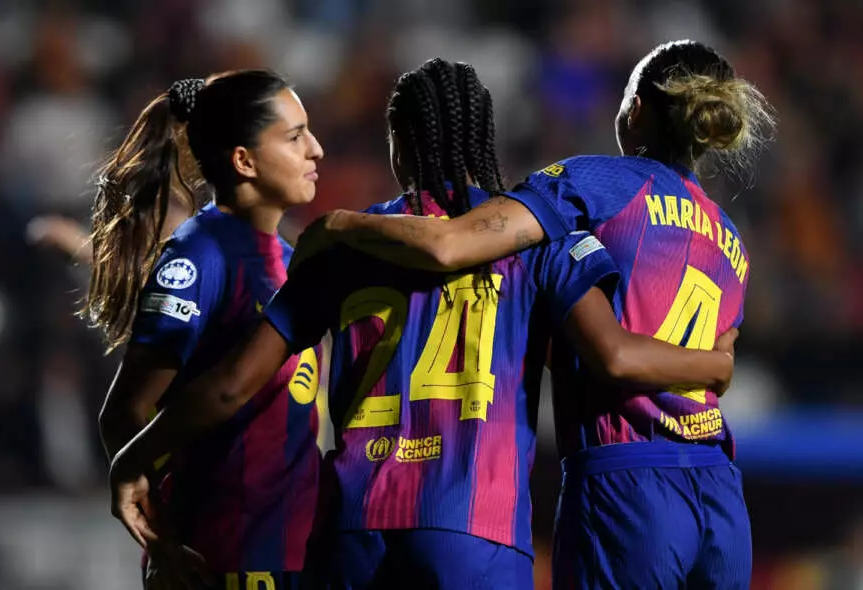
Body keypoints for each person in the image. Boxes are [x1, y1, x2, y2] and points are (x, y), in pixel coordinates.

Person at [108, 57, 737, 590]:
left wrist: (137, 459)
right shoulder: (538, 240)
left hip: (355, 528)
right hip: (478, 532)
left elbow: (230, 384)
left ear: (400, 144)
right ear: (483, 136)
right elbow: (612, 353)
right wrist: (714, 363)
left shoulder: (343, 246)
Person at [293, 41, 775, 589]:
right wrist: (713, 368)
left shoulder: (593, 184)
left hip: (628, 483)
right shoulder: (732, 241)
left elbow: (452, 244)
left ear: (636, 109)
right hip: (719, 493)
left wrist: (339, 226)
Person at [87, 71, 325, 590]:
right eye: (295, 136)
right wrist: (166, 541)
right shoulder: (201, 254)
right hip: (222, 556)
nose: (316, 149)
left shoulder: (288, 257)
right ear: (244, 160)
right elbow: (123, 410)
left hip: (289, 551)